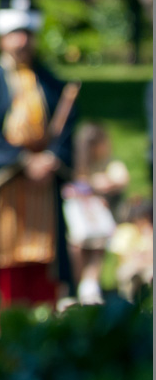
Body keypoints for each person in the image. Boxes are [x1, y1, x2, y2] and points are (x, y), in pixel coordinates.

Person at [0, 0, 76, 308]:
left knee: (46, 266)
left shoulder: (50, 82)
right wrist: (24, 162)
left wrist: (52, 158)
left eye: (27, 34)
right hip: (8, 189)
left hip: (44, 190)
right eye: (14, 34)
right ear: (2, 38)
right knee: (10, 265)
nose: (21, 41)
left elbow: (66, 127)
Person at [62, 122, 128, 304]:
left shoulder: (109, 163)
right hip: (79, 223)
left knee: (96, 244)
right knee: (76, 246)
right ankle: (80, 286)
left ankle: (89, 285)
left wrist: (91, 186)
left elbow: (120, 178)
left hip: (104, 220)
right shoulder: (76, 165)